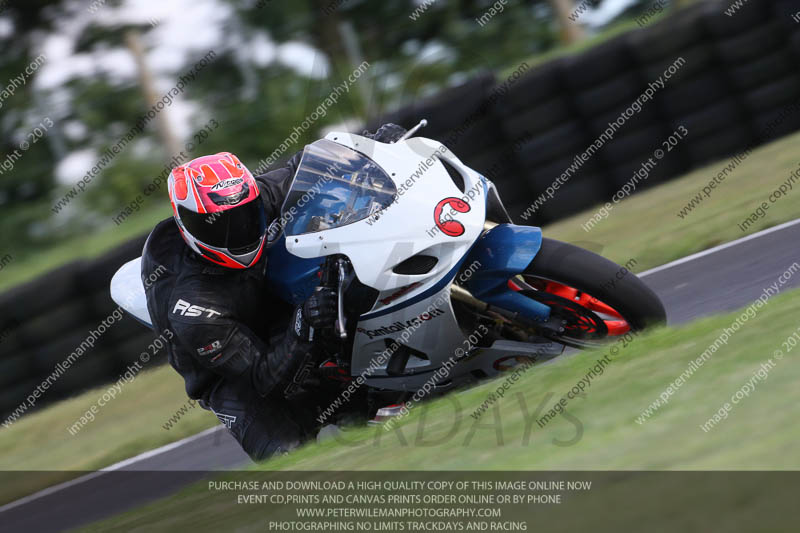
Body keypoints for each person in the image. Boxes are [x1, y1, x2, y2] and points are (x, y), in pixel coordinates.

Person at [140, 124, 406, 461]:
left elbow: (308, 167)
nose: (240, 229)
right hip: (232, 372)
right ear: (188, 225)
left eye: (245, 215)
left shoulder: (254, 198)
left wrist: (371, 145)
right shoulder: (193, 308)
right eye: (221, 225)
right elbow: (264, 380)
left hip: (272, 301)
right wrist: (305, 322)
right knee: (290, 457)